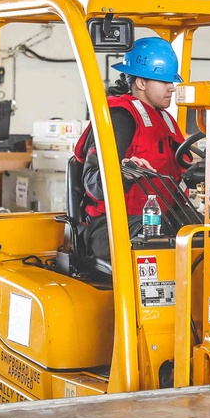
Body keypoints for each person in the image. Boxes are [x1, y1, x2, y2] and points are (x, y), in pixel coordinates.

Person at [73, 36, 186, 260]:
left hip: (155, 219)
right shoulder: (120, 117)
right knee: (163, 237)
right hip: (109, 226)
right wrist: (125, 172)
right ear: (141, 83)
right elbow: (93, 183)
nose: (172, 88)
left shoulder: (164, 120)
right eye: (164, 82)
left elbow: (181, 169)